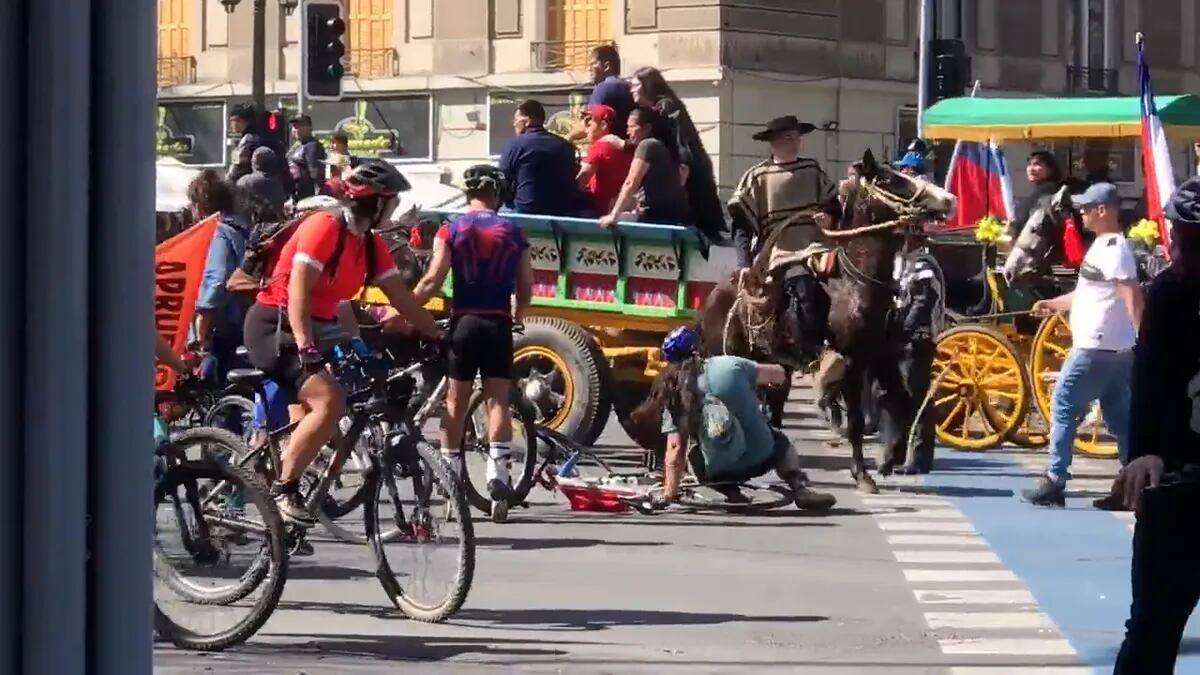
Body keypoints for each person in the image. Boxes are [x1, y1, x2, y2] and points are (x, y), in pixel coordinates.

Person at [242, 158, 439, 525]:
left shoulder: (368, 243)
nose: (395, 208)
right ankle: (283, 490)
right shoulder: (324, 226)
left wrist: (437, 334)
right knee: (329, 400)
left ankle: (304, 454)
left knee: (367, 383)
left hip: (323, 325)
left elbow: (402, 298)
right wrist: (305, 346)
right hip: (277, 324)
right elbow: (298, 289)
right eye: (392, 201)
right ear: (374, 201)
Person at [1111, 178, 1200, 674]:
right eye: (1184, 240)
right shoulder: (1168, 295)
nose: (1188, 253)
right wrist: (1143, 452)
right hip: (1177, 480)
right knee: (1150, 628)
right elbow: (1150, 380)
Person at [412, 165, 534, 519]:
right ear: (496, 194)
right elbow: (527, 283)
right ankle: (498, 478)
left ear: (468, 193)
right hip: (497, 324)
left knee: (455, 404)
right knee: (497, 402)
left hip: (463, 322)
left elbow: (433, 279)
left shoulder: (451, 229)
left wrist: (404, 309)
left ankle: (451, 486)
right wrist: (520, 315)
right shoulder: (513, 231)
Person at [1022, 182, 1142, 508]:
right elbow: (1087, 294)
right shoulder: (1104, 246)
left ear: (1103, 211)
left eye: (1087, 208)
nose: (1082, 213)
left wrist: (1143, 332)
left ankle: (1055, 480)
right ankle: (1131, 485)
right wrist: (1053, 303)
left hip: (1094, 347)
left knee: (1062, 405)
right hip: (1114, 349)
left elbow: (1130, 293)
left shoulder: (1115, 248)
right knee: (1120, 419)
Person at [629, 326, 836, 510]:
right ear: (699, 347)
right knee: (782, 444)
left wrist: (668, 494)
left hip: (716, 469)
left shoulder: (674, 391)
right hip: (762, 454)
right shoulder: (729, 365)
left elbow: (675, 450)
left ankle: (731, 493)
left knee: (694, 452)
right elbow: (778, 374)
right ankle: (800, 489)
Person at [727, 115, 842, 366]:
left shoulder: (812, 169)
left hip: (820, 246)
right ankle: (813, 355)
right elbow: (741, 226)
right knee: (801, 282)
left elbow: (835, 207)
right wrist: (744, 261)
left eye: (797, 136)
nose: (796, 141)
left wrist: (830, 219)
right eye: (790, 137)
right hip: (783, 251)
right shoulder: (757, 177)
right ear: (774, 142)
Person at [630, 66, 727, 243]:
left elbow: (679, 138)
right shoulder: (659, 107)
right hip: (686, 166)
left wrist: (682, 170)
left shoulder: (666, 106)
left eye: (635, 85)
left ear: (647, 85)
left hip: (690, 168)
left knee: (698, 220)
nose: (631, 89)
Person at [877, 231, 944, 475]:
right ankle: (896, 450)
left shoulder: (924, 265)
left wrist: (902, 332)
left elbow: (922, 303)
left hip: (918, 339)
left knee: (917, 398)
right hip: (899, 338)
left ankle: (919, 456)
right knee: (895, 396)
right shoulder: (900, 262)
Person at [187, 170, 251, 389]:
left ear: (201, 205)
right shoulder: (240, 229)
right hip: (242, 319)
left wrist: (202, 321)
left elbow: (217, 277)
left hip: (221, 325)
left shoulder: (218, 233)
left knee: (215, 390)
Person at [598, 107, 692, 230]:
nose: (628, 132)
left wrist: (614, 215)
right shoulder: (663, 147)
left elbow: (631, 183)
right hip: (676, 216)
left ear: (647, 128)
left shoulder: (647, 146)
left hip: (656, 218)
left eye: (632, 127)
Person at [498, 99, 587, 216]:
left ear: (527, 122)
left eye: (516, 120)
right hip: (564, 210)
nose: (514, 124)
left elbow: (502, 179)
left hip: (526, 210)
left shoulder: (515, 145)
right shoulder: (564, 145)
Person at [568, 44, 634, 142]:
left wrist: (568, 137)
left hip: (608, 149)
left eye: (593, 64)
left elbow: (591, 123)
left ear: (606, 66)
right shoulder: (630, 87)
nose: (590, 69)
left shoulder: (603, 88)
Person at [576, 104, 632, 217]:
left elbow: (581, 180)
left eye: (589, 122)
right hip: (622, 212)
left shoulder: (599, 147)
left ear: (603, 125)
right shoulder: (625, 148)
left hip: (600, 213)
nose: (585, 128)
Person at [1007, 150, 1064, 239]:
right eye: (1029, 164)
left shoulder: (1049, 190)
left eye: (1037, 164)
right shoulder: (1040, 190)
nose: (1031, 169)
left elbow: (1022, 218)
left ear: (1050, 169)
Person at [235, 146, 288, 217]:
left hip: (250, 225)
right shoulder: (279, 182)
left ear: (254, 162)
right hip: (276, 225)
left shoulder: (244, 181)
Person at [288, 114, 327, 200]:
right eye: (294, 126)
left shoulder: (312, 146)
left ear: (309, 128)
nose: (296, 130)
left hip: (307, 196)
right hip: (295, 193)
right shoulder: (297, 146)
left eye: (301, 126)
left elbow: (315, 174)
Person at [227, 103, 264, 184]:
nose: (231, 124)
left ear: (242, 121)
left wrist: (227, 184)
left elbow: (236, 167)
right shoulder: (260, 136)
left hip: (246, 187)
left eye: (233, 120)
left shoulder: (248, 140)